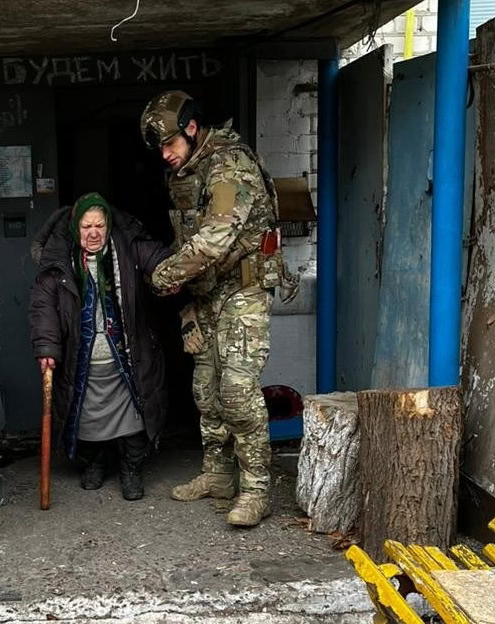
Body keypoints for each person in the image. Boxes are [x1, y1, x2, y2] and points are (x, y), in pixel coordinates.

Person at [140, 90, 297, 527]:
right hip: (207, 295)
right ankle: (218, 475)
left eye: (169, 144)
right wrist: (187, 306)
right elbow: (186, 239)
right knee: (206, 391)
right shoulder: (188, 172)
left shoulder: (230, 167)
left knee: (237, 393)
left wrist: (164, 277)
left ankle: (256, 489)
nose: (166, 155)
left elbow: (214, 240)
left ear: (191, 128)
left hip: (243, 294)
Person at [29, 192, 171, 500]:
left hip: (127, 355)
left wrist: (181, 268)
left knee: (134, 416)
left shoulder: (128, 248)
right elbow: (43, 307)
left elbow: (164, 262)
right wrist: (46, 349)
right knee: (85, 417)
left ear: (108, 226)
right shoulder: (59, 260)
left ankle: (131, 468)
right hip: (82, 359)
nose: (93, 233)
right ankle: (93, 464)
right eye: (86, 227)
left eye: (99, 226)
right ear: (74, 228)